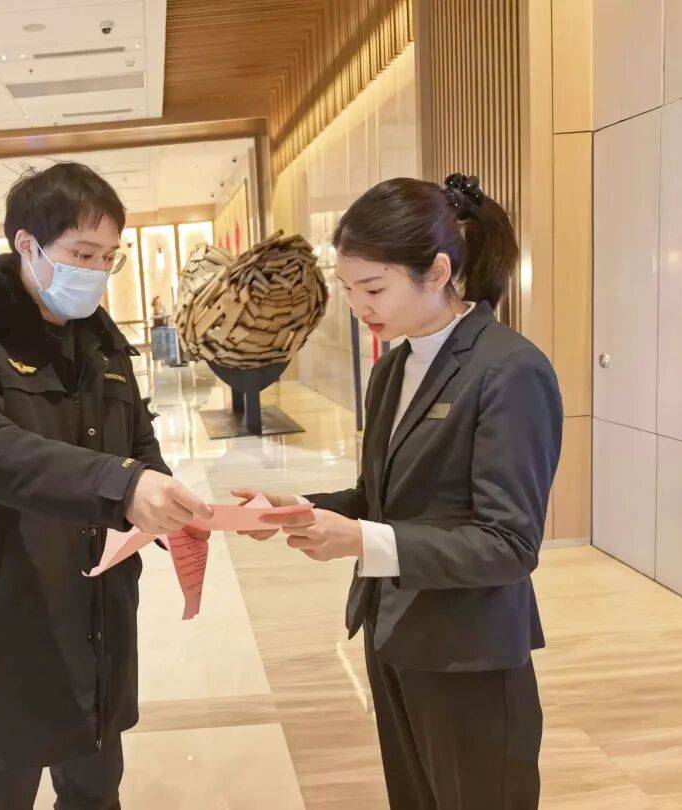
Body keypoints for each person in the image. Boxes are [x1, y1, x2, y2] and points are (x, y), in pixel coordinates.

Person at [237, 174, 563, 810]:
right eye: (348, 288)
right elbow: (379, 495)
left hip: (469, 655)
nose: (358, 305)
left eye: (373, 288)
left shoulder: (509, 369)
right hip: (394, 635)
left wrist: (361, 540)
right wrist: (301, 510)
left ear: (437, 271)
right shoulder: (394, 366)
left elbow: (509, 543)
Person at [0, 162, 211, 810]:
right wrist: (120, 485)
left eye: (108, 257)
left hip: (97, 613)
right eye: (81, 253)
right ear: (27, 244)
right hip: (6, 608)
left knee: (95, 794)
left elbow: (137, 446)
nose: (96, 271)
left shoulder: (103, 341)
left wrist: (174, 504)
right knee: (0, 794)